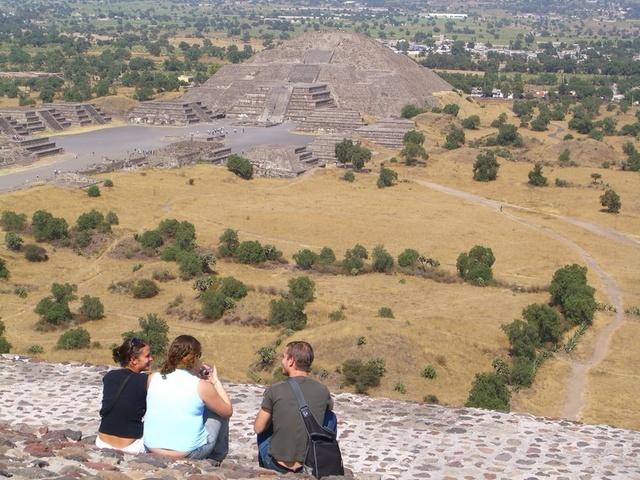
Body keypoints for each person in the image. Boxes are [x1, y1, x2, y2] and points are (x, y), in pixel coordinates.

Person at [143, 335, 233, 461]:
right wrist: (215, 382)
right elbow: (228, 411)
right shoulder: (201, 386)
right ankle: (216, 458)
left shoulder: (153, 378)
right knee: (218, 411)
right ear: (195, 358)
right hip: (188, 453)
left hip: (151, 447)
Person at [254, 341, 336, 474]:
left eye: (283, 357)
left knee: (264, 425)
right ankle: (322, 453)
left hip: (276, 465)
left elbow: (258, 428)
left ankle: (266, 470)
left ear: (291, 361)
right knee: (331, 416)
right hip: (309, 464)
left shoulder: (275, 389)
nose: (282, 361)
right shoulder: (323, 390)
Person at [97, 337, 153, 454]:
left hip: (102, 442)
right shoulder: (146, 380)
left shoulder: (109, 376)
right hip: (132, 446)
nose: (151, 359)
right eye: (147, 356)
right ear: (133, 360)